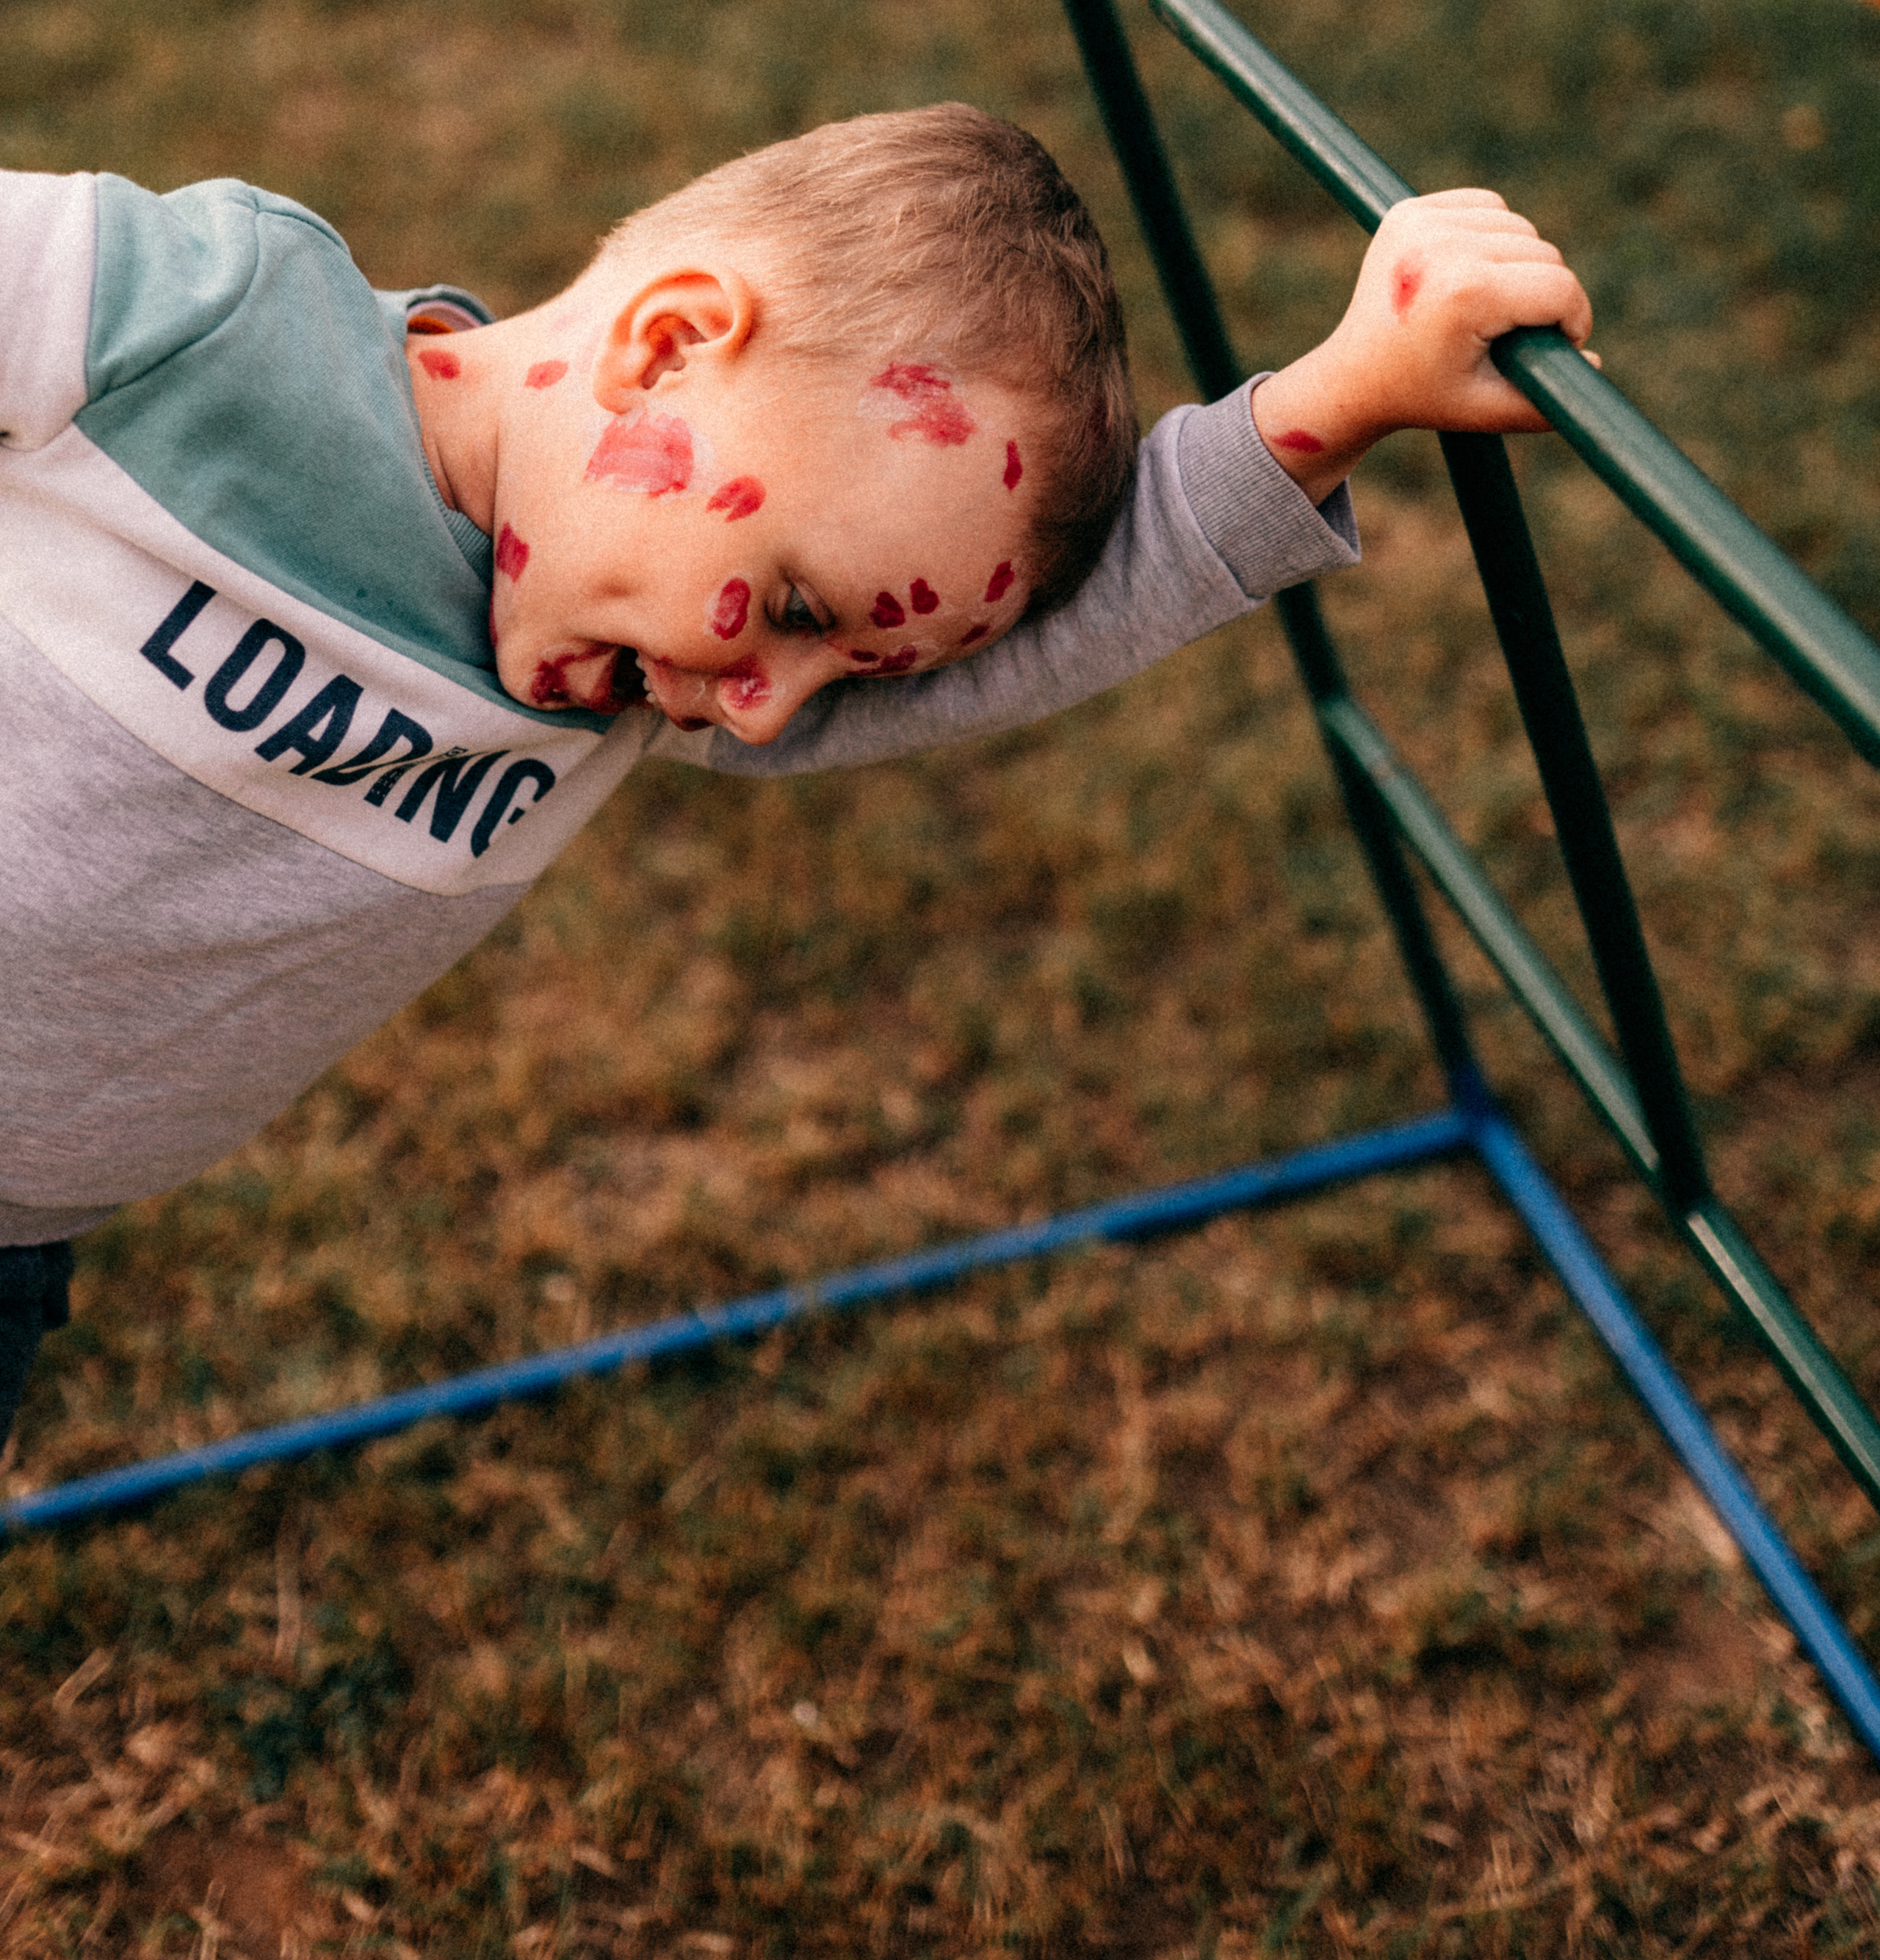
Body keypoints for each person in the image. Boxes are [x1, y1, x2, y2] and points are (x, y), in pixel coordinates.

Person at [0, 104, 1593, 1450]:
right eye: (801, 611)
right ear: (670, 344)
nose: (765, 716)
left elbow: (1075, 612)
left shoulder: (629, 660)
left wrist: (1336, 402)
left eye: (843, 672)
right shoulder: (194, 316)